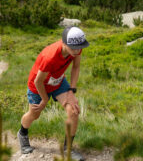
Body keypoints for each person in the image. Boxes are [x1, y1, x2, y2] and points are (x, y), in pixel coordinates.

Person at [18, 26, 90, 161]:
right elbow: (38, 81)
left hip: (57, 81)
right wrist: (44, 100)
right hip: (38, 85)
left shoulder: (77, 48)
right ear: (64, 43)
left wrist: (71, 91)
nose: (77, 51)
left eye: (79, 47)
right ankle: (22, 133)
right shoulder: (50, 57)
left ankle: (67, 149)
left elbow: (76, 66)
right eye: (73, 48)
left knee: (73, 111)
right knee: (35, 114)